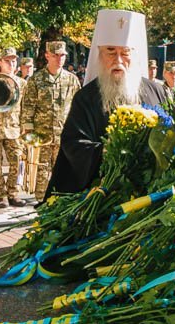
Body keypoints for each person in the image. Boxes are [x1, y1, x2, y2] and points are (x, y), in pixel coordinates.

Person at [47, 10, 167, 195]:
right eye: (110, 51)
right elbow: (74, 145)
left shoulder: (157, 92)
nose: (118, 60)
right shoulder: (86, 98)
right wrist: (112, 151)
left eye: (125, 52)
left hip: (151, 192)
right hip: (103, 192)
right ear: (100, 54)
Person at [19, 40, 81, 199]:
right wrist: (28, 132)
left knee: (64, 169)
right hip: (42, 134)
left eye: (62, 55)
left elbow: (78, 106)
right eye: (55, 55)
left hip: (64, 134)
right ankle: (42, 201)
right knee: (42, 170)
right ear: (47, 56)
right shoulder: (36, 79)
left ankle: (61, 200)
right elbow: (28, 106)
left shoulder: (72, 79)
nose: (59, 59)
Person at [0, 49, 26, 208]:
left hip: (14, 129)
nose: (12, 63)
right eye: (8, 60)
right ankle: (1, 196)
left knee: (17, 162)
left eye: (14, 60)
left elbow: (27, 106)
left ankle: (13, 193)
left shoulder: (22, 83)